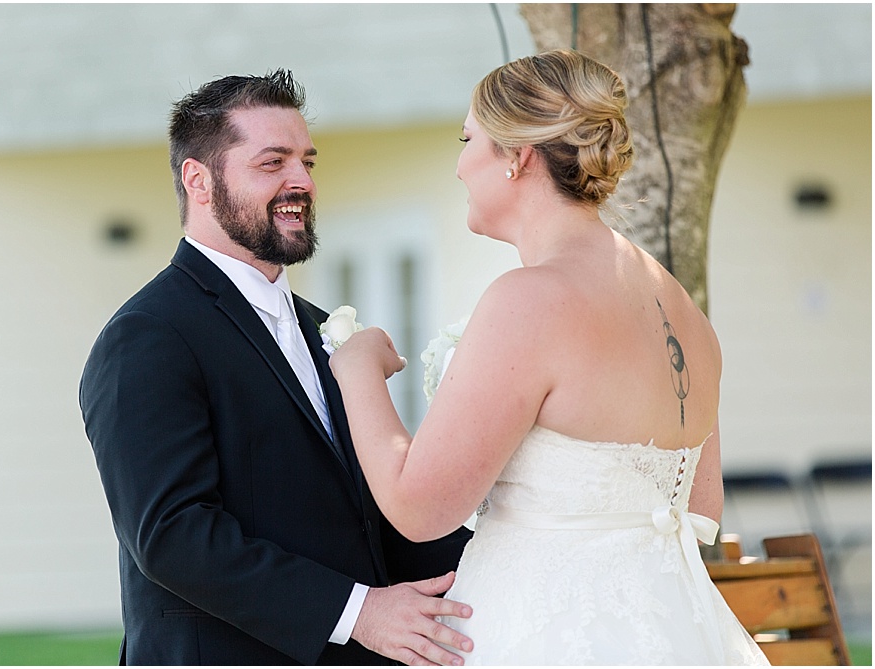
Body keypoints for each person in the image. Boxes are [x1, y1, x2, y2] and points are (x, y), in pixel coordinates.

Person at [329, 50, 770, 665]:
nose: (459, 166)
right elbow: (700, 507)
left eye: (467, 139)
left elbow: (419, 508)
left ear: (518, 156)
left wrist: (356, 371)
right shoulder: (683, 310)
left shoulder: (530, 300)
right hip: (677, 632)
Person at [79, 70, 473, 666]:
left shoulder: (322, 328)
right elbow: (172, 536)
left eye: (307, 162)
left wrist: (520, 557)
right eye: (273, 163)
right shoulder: (148, 335)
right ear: (200, 181)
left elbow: (369, 510)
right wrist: (357, 611)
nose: (302, 181)